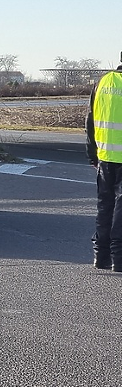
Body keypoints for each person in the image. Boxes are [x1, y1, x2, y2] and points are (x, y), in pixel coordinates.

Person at [85, 52, 122, 271]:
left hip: (105, 157)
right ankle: (119, 258)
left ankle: (102, 256)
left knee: (105, 207)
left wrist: (92, 154)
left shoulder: (103, 82)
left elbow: (90, 121)